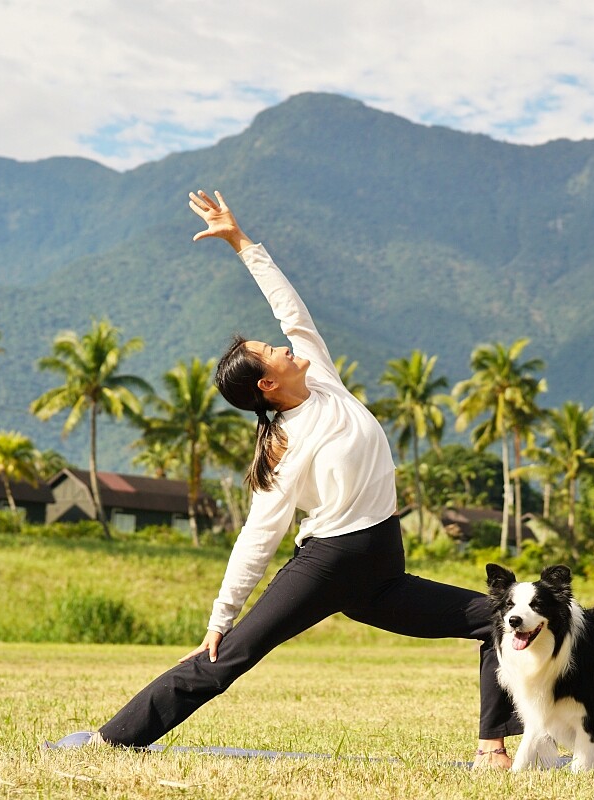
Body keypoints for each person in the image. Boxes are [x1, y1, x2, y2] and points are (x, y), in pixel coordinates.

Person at [93, 190, 521, 768]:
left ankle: (491, 747)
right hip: (329, 563)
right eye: (270, 352)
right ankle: (116, 739)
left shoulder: (321, 377)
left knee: (500, 620)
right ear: (266, 385)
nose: (283, 346)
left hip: (380, 564)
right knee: (230, 656)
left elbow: (289, 307)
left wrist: (241, 243)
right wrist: (221, 616)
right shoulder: (284, 447)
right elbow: (258, 537)